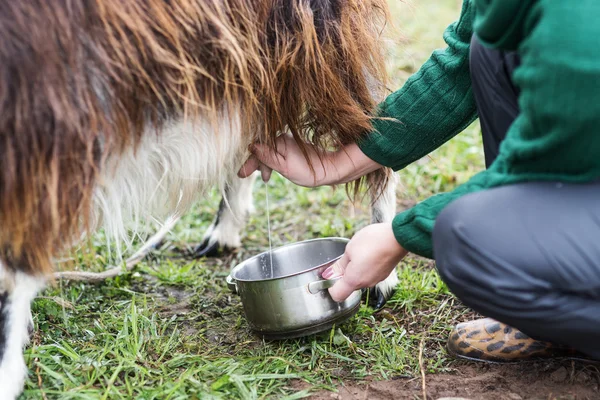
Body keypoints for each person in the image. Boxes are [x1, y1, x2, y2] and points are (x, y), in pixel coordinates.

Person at [239, 0, 600, 363]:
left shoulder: (574, 19)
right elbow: (458, 69)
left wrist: (401, 235)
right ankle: (558, 298)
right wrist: (335, 164)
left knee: (466, 240)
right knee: (487, 47)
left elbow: (545, 167)